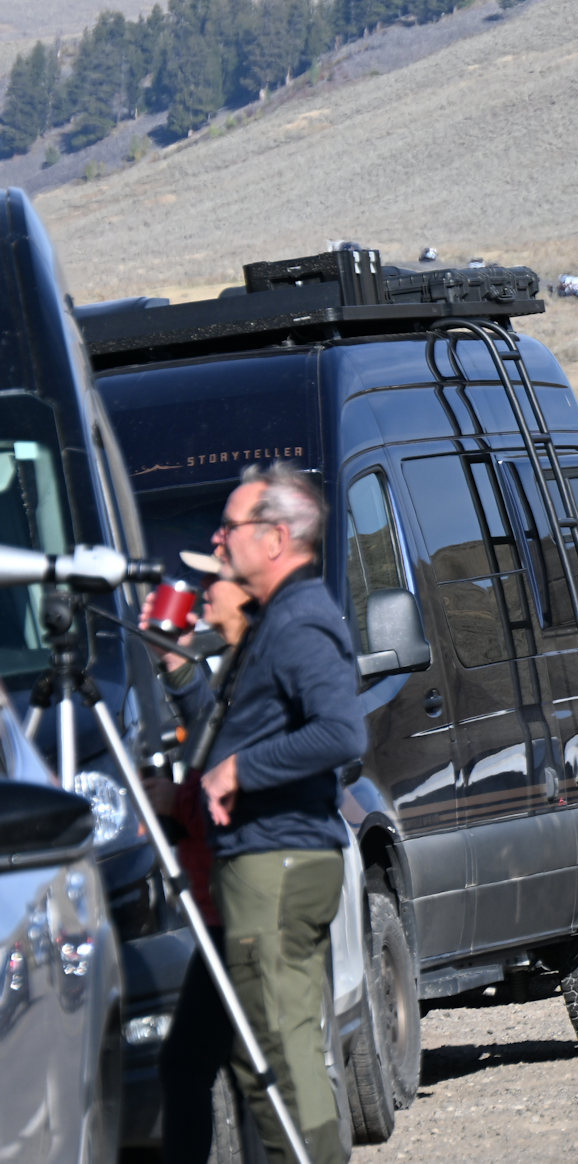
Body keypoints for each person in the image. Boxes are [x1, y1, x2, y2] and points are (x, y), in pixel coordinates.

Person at [174, 462, 366, 1164]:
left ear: (277, 537)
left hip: (278, 860)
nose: (219, 540)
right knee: (275, 1047)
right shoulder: (276, 622)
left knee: (275, 1053)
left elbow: (343, 734)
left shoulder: (299, 621)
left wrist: (240, 769)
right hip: (266, 857)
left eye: (232, 527)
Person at [146, 567, 259, 1163]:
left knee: (216, 1066)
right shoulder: (239, 667)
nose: (203, 590)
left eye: (216, 580)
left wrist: (174, 801)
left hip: (246, 902)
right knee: (228, 1067)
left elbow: (232, 776)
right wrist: (176, 660)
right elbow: (208, 729)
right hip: (225, 905)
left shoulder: (266, 666)